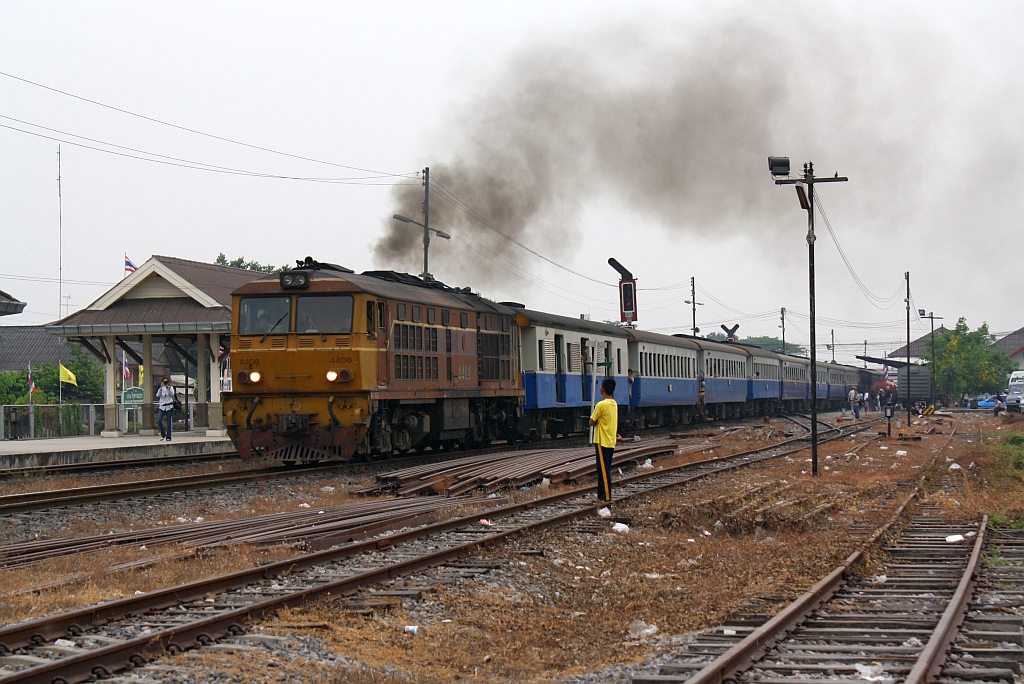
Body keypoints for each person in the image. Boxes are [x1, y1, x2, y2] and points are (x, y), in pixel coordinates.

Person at [589, 377, 621, 509]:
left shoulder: (601, 405)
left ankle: (606, 497)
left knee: (603, 471)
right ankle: (600, 496)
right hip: (610, 441)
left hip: (602, 441)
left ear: (602, 389)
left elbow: (591, 421)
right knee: (603, 469)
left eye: (601, 386)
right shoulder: (614, 404)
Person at [156, 377, 176, 441]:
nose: (165, 383)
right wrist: (160, 388)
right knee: (159, 420)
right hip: (162, 406)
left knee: (168, 422)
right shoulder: (161, 388)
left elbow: (172, 394)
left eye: (166, 382)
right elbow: (157, 395)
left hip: (169, 406)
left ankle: (168, 436)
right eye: (164, 382)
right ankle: (163, 434)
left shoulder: (170, 388)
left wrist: (168, 388)